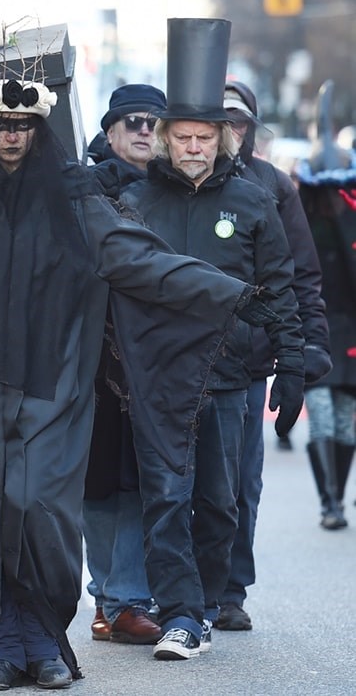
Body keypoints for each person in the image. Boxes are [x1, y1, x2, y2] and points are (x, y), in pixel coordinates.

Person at [0, 64, 280, 689]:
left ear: (39, 128)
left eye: (23, 124)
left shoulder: (73, 195)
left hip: (53, 383)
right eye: (0, 124)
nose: (10, 136)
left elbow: (138, 259)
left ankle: (43, 640)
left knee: (42, 515)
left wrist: (230, 292)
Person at [119, 18, 305, 660]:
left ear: (222, 140)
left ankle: (208, 596)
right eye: (183, 137)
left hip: (229, 377)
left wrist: (295, 365)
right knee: (165, 498)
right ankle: (183, 614)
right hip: (159, 379)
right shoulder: (137, 203)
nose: (194, 148)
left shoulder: (255, 202)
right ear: (165, 141)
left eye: (204, 138)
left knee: (220, 503)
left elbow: (280, 285)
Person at [214, 81, 331, 630]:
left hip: (249, 358)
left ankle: (231, 590)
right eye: (222, 121)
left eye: (239, 122)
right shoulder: (171, 181)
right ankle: (178, 588)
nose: (229, 132)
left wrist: (308, 348)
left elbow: (303, 275)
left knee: (241, 481)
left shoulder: (273, 185)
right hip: (176, 358)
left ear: (253, 127)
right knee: (178, 480)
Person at [82, 83, 167, 645]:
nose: (141, 129)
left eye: (151, 122)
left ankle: (125, 598)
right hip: (90, 358)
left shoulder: (178, 192)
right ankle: (112, 597)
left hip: (158, 359)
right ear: (109, 133)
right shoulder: (82, 191)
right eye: (130, 121)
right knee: (97, 482)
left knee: (142, 480)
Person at [294, 79, 356, 531]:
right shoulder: (298, 218)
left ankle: (335, 497)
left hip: (350, 331)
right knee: (322, 420)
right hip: (313, 330)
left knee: (346, 421)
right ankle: (329, 502)